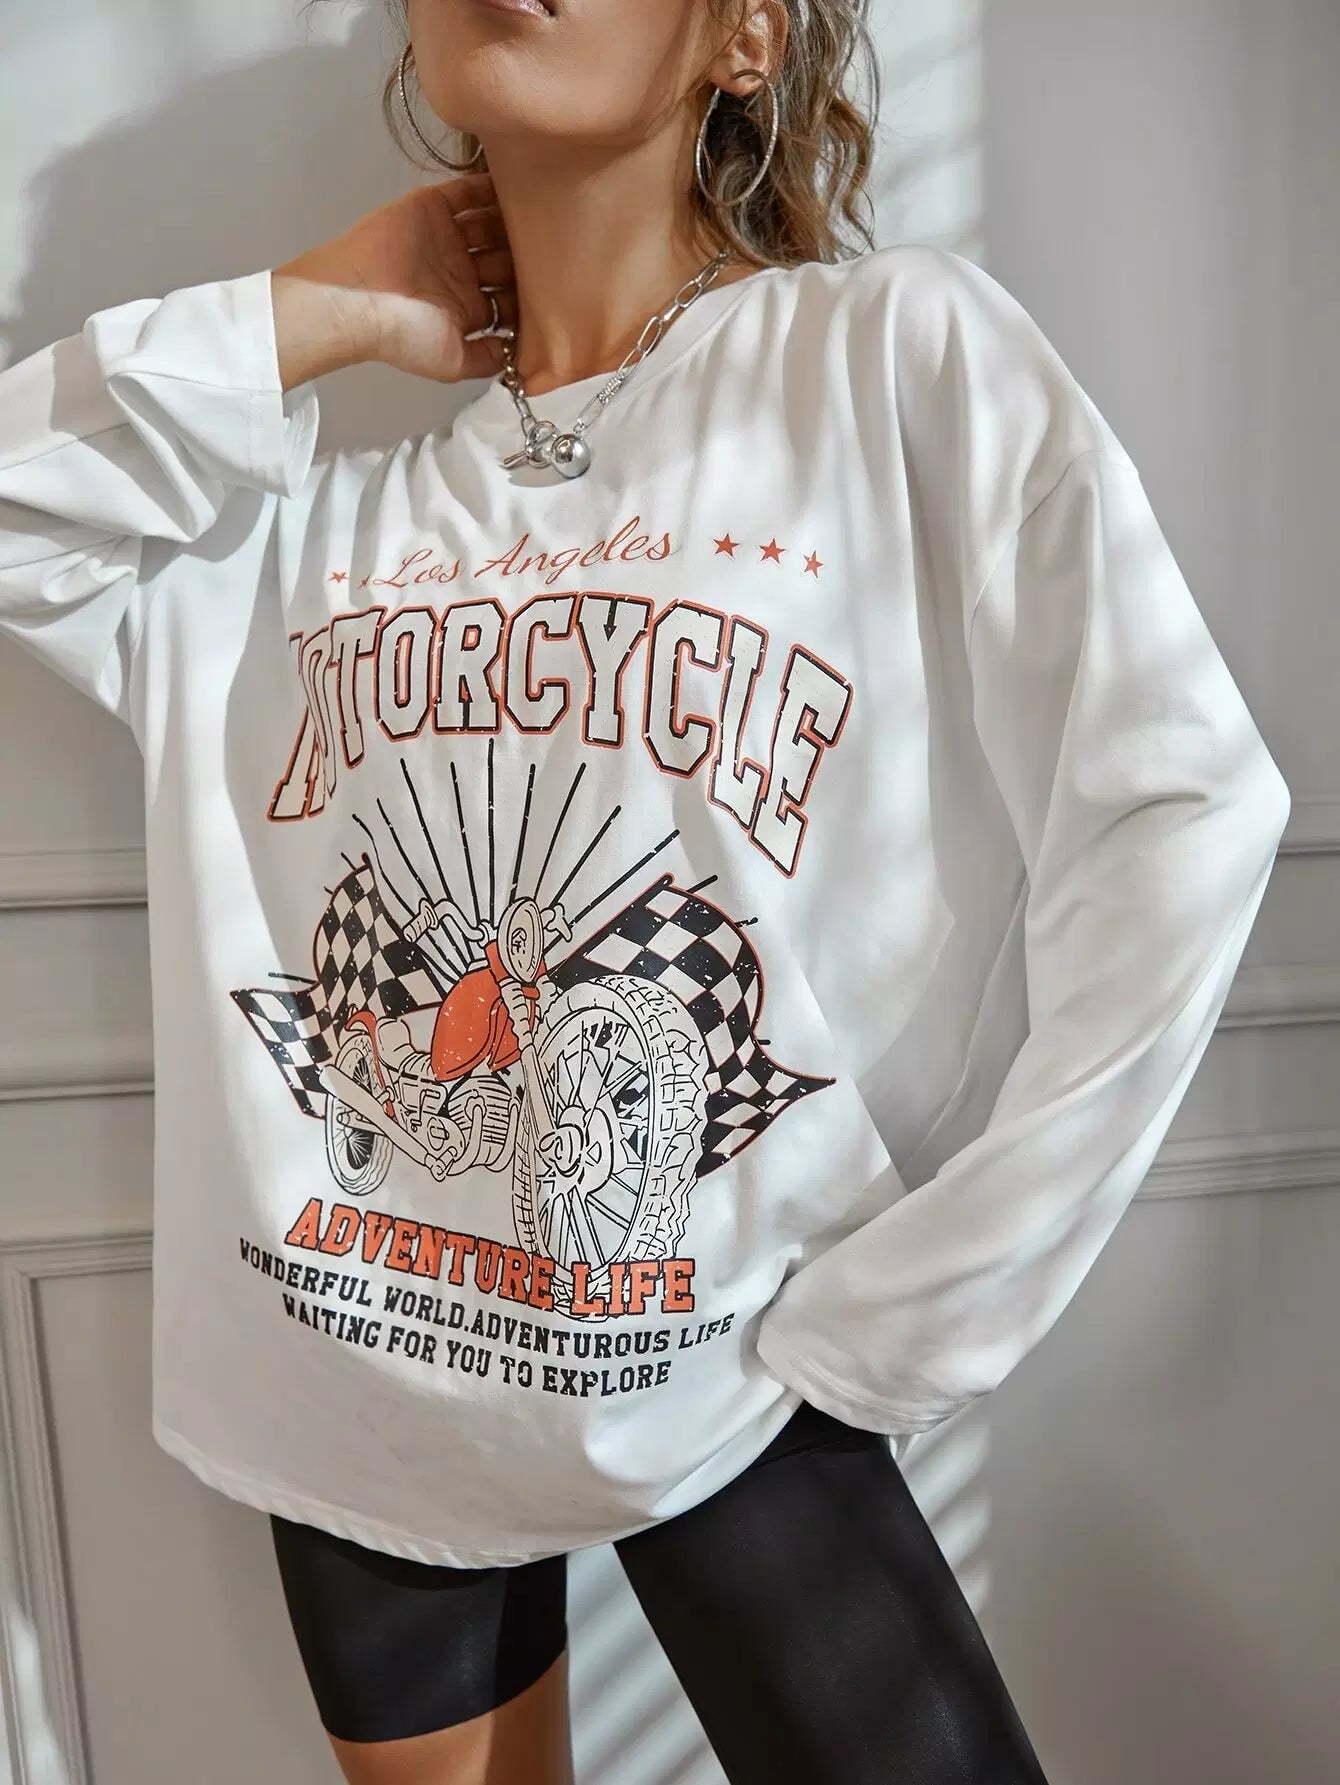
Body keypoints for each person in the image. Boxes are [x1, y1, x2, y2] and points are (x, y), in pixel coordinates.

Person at [0, 1, 1291, 1781]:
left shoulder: (889, 357)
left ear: (745, 36)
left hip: (745, 1359)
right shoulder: (310, 532)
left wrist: (929, 1304)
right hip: (365, 1372)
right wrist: (318, 310)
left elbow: (1183, 804)